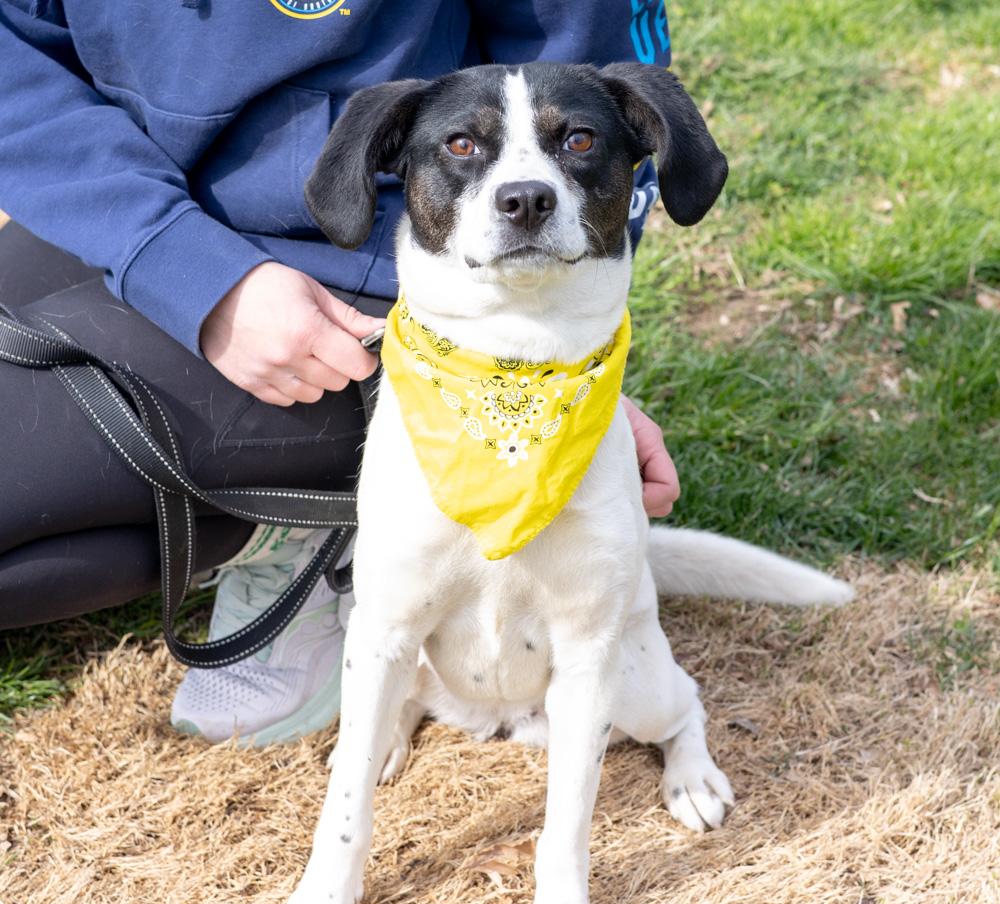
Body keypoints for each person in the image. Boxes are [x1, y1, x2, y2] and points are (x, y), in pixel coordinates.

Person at [0, 0, 680, 745]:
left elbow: (579, 59)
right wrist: (176, 259)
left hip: (356, 275)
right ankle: (261, 517)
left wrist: (557, 368)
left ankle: (312, 542)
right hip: (118, 200)